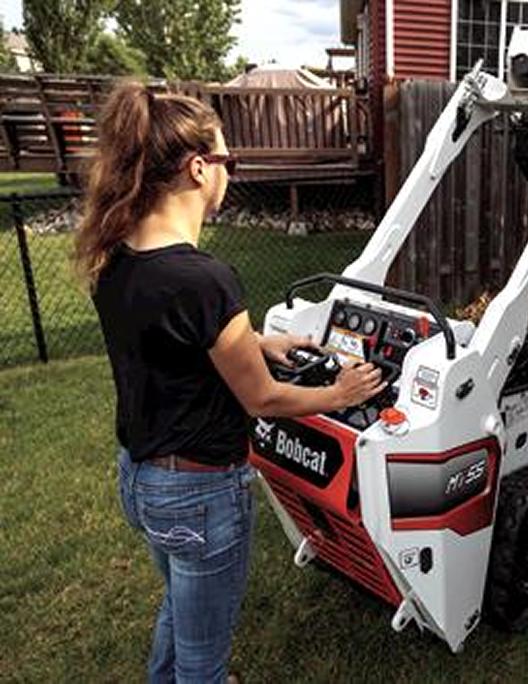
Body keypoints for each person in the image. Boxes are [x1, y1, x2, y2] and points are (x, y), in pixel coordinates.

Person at [74, 82, 385, 683]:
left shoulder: (115, 258)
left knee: (180, 606)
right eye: (226, 162)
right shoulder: (202, 278)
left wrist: (256, 344)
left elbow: (167, 345)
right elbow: (263, 398)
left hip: (139, 479)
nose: (228, 176)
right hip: (199, 491)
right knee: (205, 662)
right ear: (198, 169)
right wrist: (340, 394)